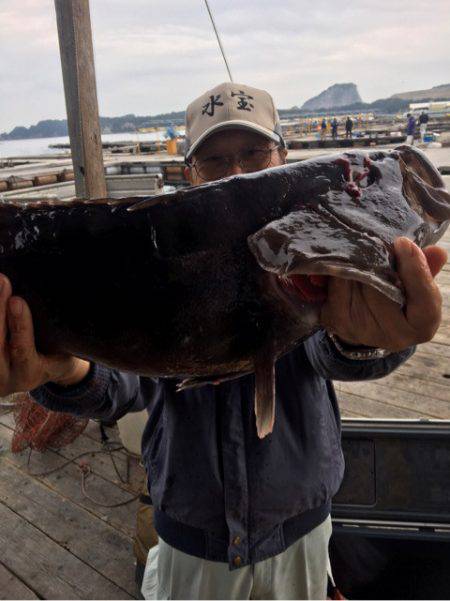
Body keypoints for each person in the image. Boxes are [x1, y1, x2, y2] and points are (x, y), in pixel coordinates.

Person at [0, 82, 446, 600]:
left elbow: (331, 352)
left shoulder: (311, 260)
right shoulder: (161, 254)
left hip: (301, 521)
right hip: (194, 532)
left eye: (254, 154)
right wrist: (60, 370)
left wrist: (369, 340)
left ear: (282, 155)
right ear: (192, 174)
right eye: (215, 160)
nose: (236, 172)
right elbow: (128, 387)